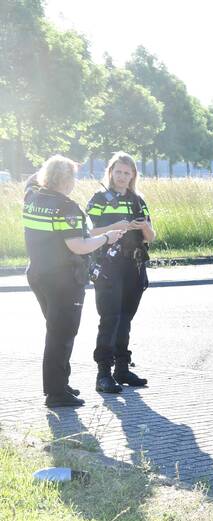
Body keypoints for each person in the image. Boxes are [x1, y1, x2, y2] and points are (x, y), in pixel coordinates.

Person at [23, 155, 125, 408]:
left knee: (56, 330)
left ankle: (60, 383)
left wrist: (53, 165)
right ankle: (56, 393)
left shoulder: (32, 198)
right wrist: (107, 238)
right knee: (62, 334)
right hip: (63, 280)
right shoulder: (67, 207)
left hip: (38, 274)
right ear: (66, 179)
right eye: (73, 176)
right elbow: (78, 245)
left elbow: (31, 180)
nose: (75, 182)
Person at [86, 152, 155, 393]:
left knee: (125, 318)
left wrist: (143, 225)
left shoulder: (138, 200)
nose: (122, 177)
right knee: (110, 319)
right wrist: (115, 227)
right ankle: (103, 374)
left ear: (133, 175)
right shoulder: (99, 199)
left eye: (127, 173)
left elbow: (151, 237)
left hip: (133, 267)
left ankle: (122, 370)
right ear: (111, 172)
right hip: (108, 266)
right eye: (118, 172)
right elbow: (87, 233)